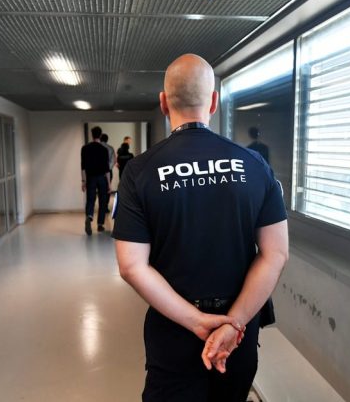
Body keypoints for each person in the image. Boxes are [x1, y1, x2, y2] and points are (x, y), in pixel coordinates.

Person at [112, 54, 289, 401]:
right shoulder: (255, 165)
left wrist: (195, 321)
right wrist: (234, 323)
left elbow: (131, 266)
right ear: (213, 101)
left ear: (163, 103)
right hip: (237, 330)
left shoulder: (139, 171)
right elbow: (276, 253)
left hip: (174, 326)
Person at [81, 126, 111, 234]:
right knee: (103, 201)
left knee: (90, 199)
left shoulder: (85, 148)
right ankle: (100, 225)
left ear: (92, 135)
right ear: (100, 135)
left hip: (90, 178)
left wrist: (83, 181)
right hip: (102, 178)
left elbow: (83, 167)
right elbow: (107, 169)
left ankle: (89, 217)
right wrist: (109, 184)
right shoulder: (104, 150)